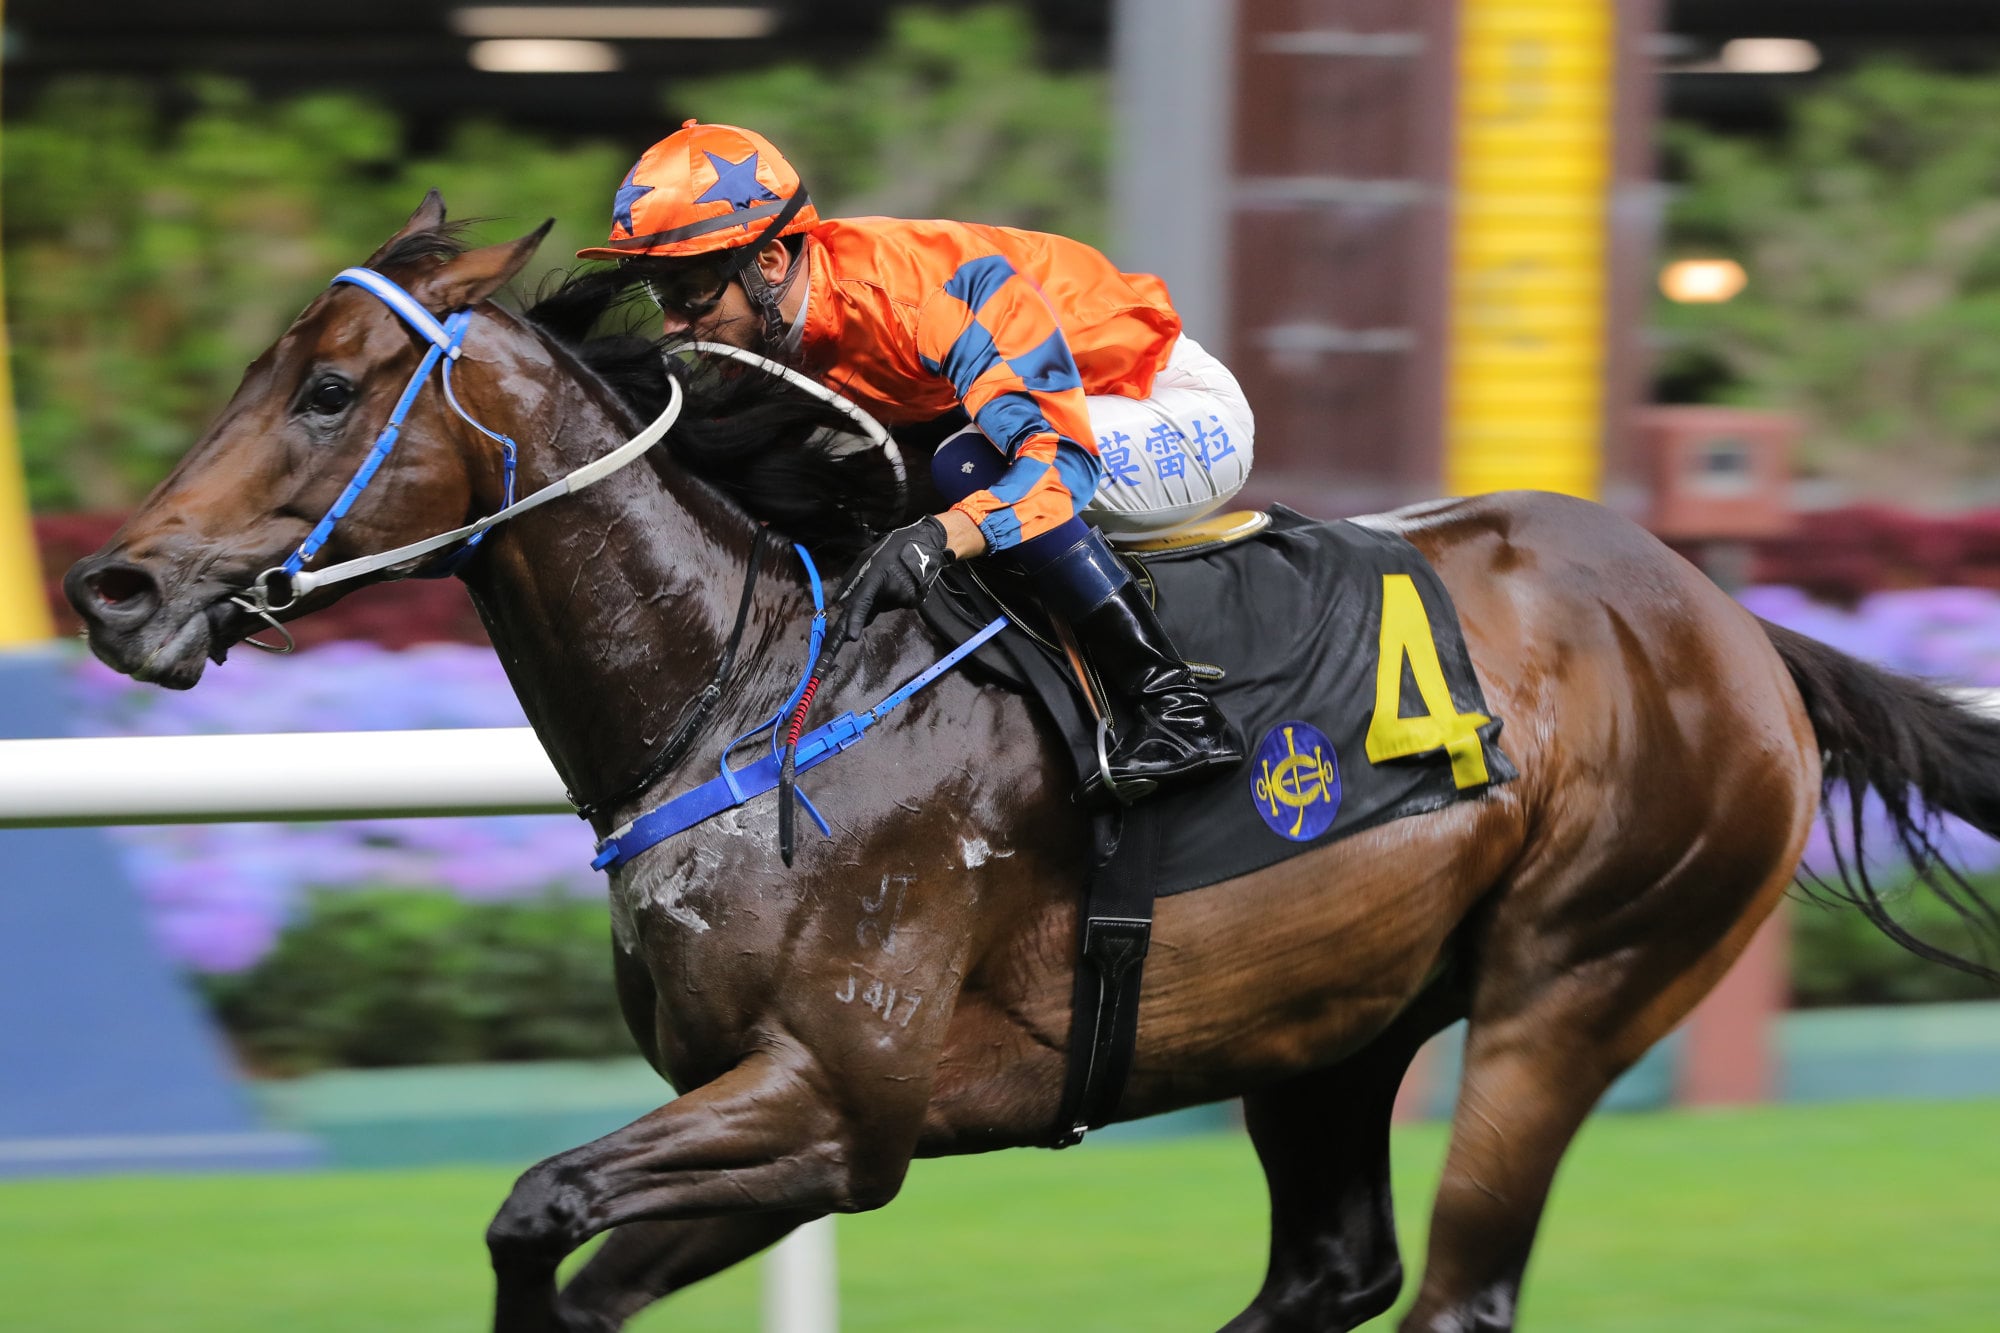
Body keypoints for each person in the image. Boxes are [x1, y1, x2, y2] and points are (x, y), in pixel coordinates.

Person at [578, 120, 1254, 803]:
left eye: (689, 292)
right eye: (659, 295)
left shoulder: (928, 297)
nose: (673, 325)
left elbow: (1059, 468)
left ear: (771, 264)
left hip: (1170, 407)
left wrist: (937, 540)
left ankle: (1179, 708)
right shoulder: (782, 322)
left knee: (963, 467)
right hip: (1068, 413)